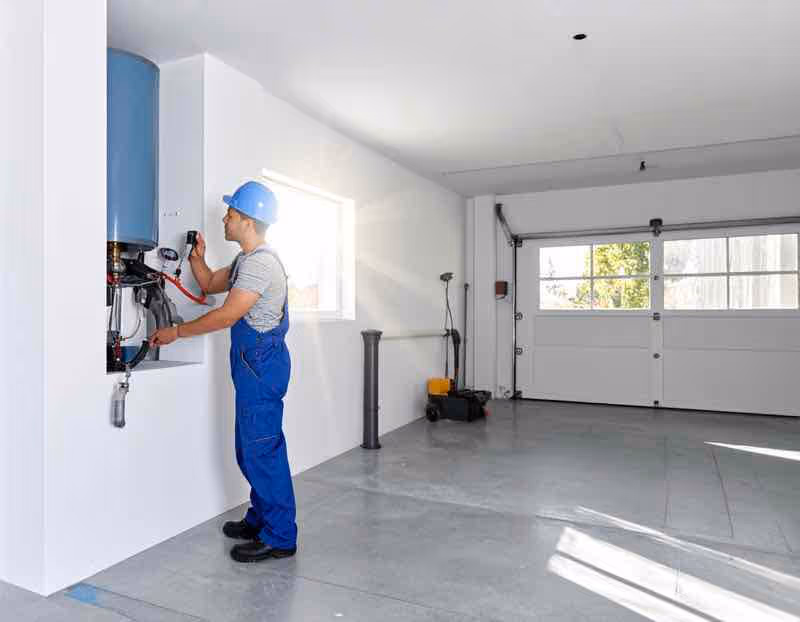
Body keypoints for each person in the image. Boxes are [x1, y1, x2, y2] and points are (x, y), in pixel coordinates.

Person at [149, 180, 297, 563]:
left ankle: (280, 537)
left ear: (247, 221)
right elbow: (211, 284)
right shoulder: (244, 261)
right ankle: (260, 519)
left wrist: (177, 332)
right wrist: (197, 256)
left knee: (262, 450)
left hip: (261, 366)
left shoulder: (261, 264)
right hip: (252, 366)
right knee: (250, 449)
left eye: (230, 214)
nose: (224, 218)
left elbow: (227, 314)